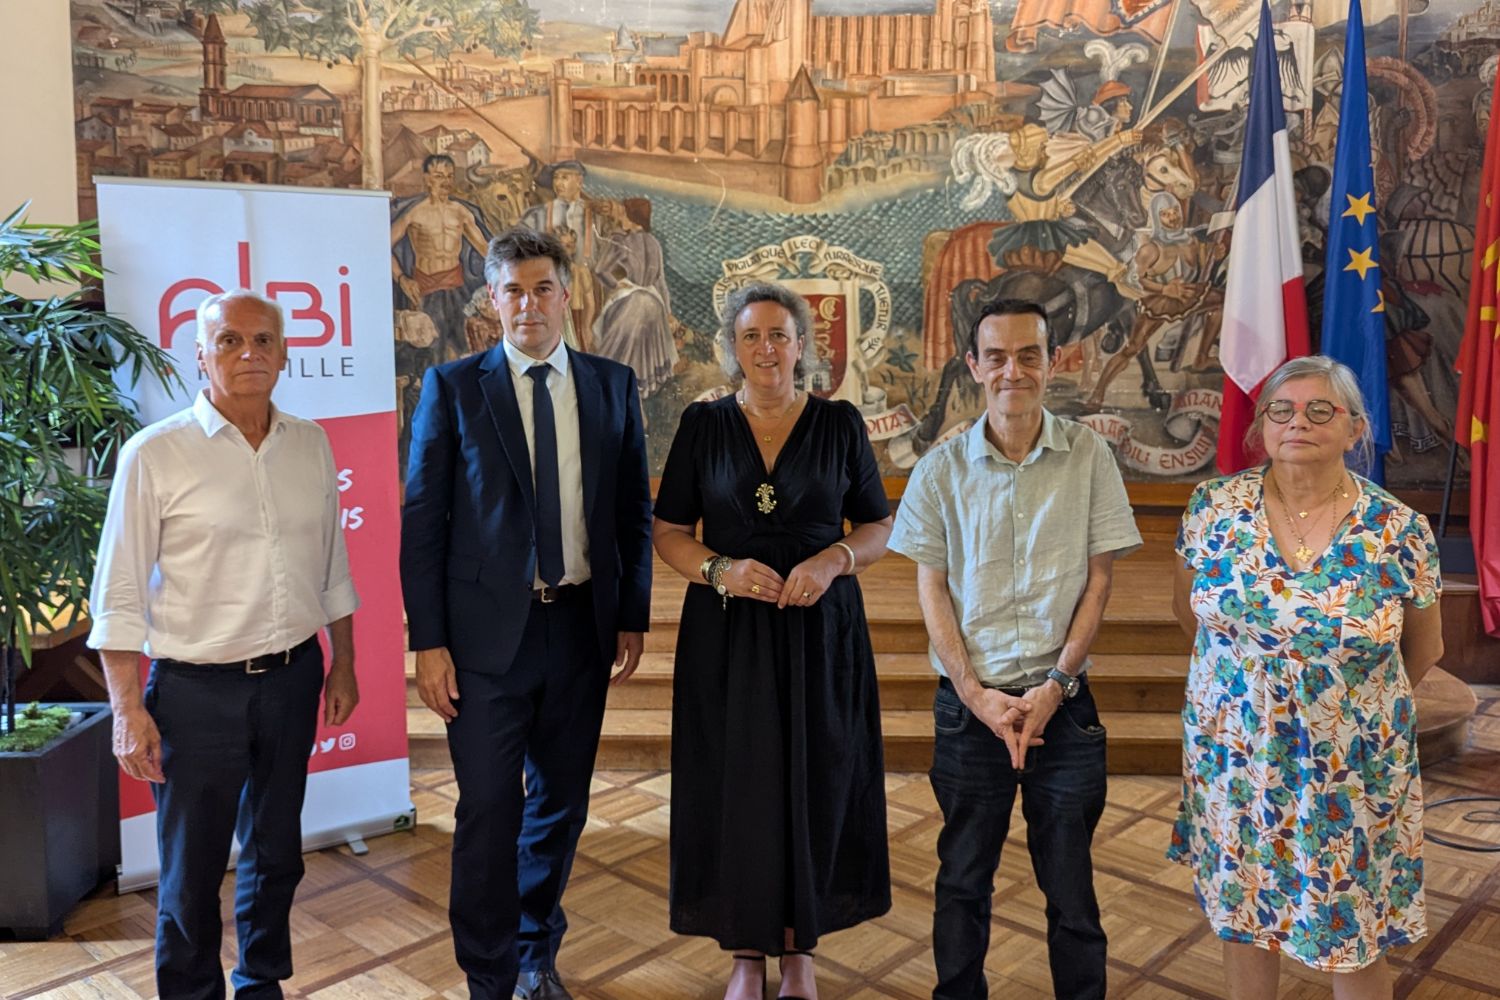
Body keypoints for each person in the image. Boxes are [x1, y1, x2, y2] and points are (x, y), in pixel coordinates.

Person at [400, 225, 652, 1000]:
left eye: (543, 288)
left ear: (567, 295)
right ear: (492, 299)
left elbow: (632, 512)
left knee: (560, 805)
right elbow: (423, 522)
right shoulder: (452, 387)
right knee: (487, 809)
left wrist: (632, 613)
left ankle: (536, 948)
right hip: (482, 643)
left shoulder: (611, 385)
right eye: (514, 290)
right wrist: (428, 642)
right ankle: (490, 974)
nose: (529, 304)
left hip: (579, 630)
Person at [88, 289, 360, 999]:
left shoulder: (310, 443)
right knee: (192, 869)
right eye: (230, 341)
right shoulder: (155, 454)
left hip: (294, 678)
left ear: (285, 353)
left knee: (277, 855)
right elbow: (117, 593)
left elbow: (331, 565)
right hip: (195, 694)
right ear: (201, 356)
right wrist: (126, 711)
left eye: (263, 340)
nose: (249, 353)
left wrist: (345, 663)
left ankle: (261, 980)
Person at [887, 298, 1142, 1000]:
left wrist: (1055, 685)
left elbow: (1099, 579)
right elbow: (933, 590)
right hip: (970, 713)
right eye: (996, 357)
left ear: (1053, 362)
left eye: (1029, 355)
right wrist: (976, 695)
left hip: (1064, 707)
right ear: (973, 366)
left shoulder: (1089, 456)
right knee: (962, 883)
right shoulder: (940, 470)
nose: (1013, 371)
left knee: (1072, 892)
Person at [1169, 355, 1445, 1000]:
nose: (1299, 422)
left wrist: (1333, 704)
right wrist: (1254, 689)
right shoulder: (1213, 507)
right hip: (1236, 758)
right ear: (1262, 426)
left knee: (1350, 929)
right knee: (1244, 916)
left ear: (1355, 428)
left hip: (1349, 769)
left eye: (1321, 410)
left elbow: (1425, 649)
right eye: (1282, 410)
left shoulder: (1398, 530)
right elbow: (1189, 614)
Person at [653, 281, 893, 1000]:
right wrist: (718, 570)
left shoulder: (840, 424)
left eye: (778, 335)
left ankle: (799, 951)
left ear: (801, 347)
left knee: (817, 779)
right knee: (735, 785)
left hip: (820, 632)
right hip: (727, 637)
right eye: (751, 336)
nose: (766, 348)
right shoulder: (703, 426)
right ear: (733, 347)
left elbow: (878, 525)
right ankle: (744, 952)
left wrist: (834, 560)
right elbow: (669, 532)